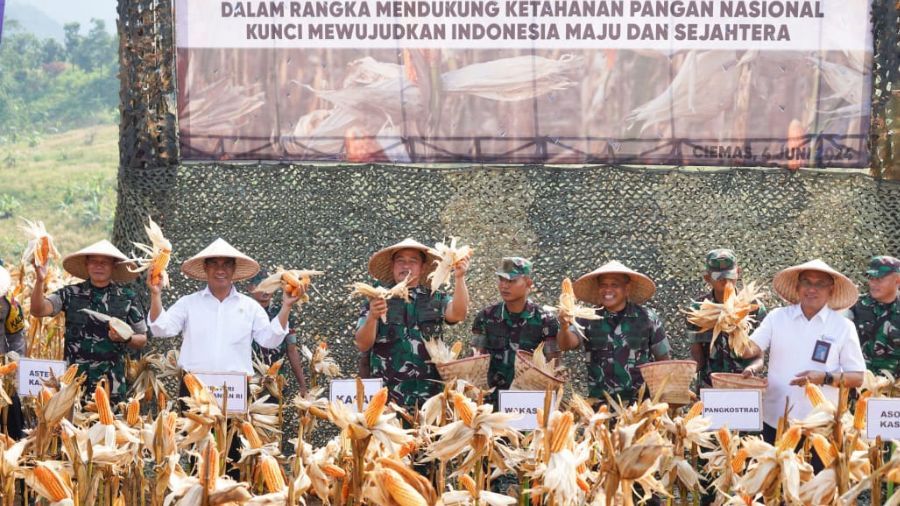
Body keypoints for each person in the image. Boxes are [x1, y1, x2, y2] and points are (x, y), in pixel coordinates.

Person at [741, 259, 865, 450]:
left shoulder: (843, 327)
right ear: (798, 286)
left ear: (831, 289)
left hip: (820, 427)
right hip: (775, 419)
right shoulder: (777, 317)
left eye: (820, 284)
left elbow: (857, 377)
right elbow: (748, 349)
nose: (812, 289)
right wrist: (732, 325)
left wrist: (824, 377)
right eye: (807, 282)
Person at [148, 238, 303, 380]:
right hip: (194, 386)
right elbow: (160, 328)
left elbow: (270, 339)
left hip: (235, 389)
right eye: (214, 264)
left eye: (226, 264)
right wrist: (156, 295)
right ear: (205, 268)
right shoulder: (188, 303)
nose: (220, 270)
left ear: (234, 269)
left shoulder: (250, 307)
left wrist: (286, 306)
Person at [354, 238, 470, 408]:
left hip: (432, 398)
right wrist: (372, 317)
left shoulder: (436, 297)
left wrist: (460, 278)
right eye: (400, 261)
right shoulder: (378, 299)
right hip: (387, 400)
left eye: (412, 261)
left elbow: (458, 314)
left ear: (422, 267)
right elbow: (362, 344)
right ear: (393, 266)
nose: (406, 266)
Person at [30, 240, 147, 401]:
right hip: (74, 384)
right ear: (87, 265)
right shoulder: (70, 293)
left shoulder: (128, 298)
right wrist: (40, 280)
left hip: (111, 386)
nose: (99, 266)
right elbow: (38, 310)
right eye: (94, 261)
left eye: (104, 262)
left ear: (114, 266)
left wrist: (125, 338)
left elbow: (142, 339)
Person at [557, 260, 670, 405]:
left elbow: (664, 359)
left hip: (640, 405)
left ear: (627, 288)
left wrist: (665, 398)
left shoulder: (647, 318)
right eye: (603, 285)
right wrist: (564, 325)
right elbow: (567, 344)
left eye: (614, 285)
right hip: (600, 404)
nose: (607, 290)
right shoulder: (587, 318)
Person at [471, 257, 558, 405]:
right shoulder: (485, 317)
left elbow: (553, 367)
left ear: (528, 283)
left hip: (529, 404)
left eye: (511, 281)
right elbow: (475, 361)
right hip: (491, 403)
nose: (504, 286)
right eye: (501, 279)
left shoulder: (545, 321)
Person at [688, 249, 766, 386]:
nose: (726, 281)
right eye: (720, 278)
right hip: (710, 388)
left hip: (745, 387)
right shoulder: (697, 310)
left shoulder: (754, 308)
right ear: (707, 278)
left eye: (729, 276)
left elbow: (759, 357)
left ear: (738, 272)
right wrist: (684, 374)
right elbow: (697, 357)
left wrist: (752, 369)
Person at [246, 269, 307, 396]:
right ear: (250, 288)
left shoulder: (283, 313)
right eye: (261, 286)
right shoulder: (243, 312)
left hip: (276, 381)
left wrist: (302, 385)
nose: (266, 290)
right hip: (249, 382)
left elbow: (292, 350)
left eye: (270, 286)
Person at [847, 255, 899, 377]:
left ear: (897, 281)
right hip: (859, 385)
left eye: (879, 279)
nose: (873, 283)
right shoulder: (855, 306)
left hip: (895, 389)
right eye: (871, 278)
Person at [0, 262, 26, 438]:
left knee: (12, 403)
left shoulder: (10, 305)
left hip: (2, 368)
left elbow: (16, 338)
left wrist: (14, 360)